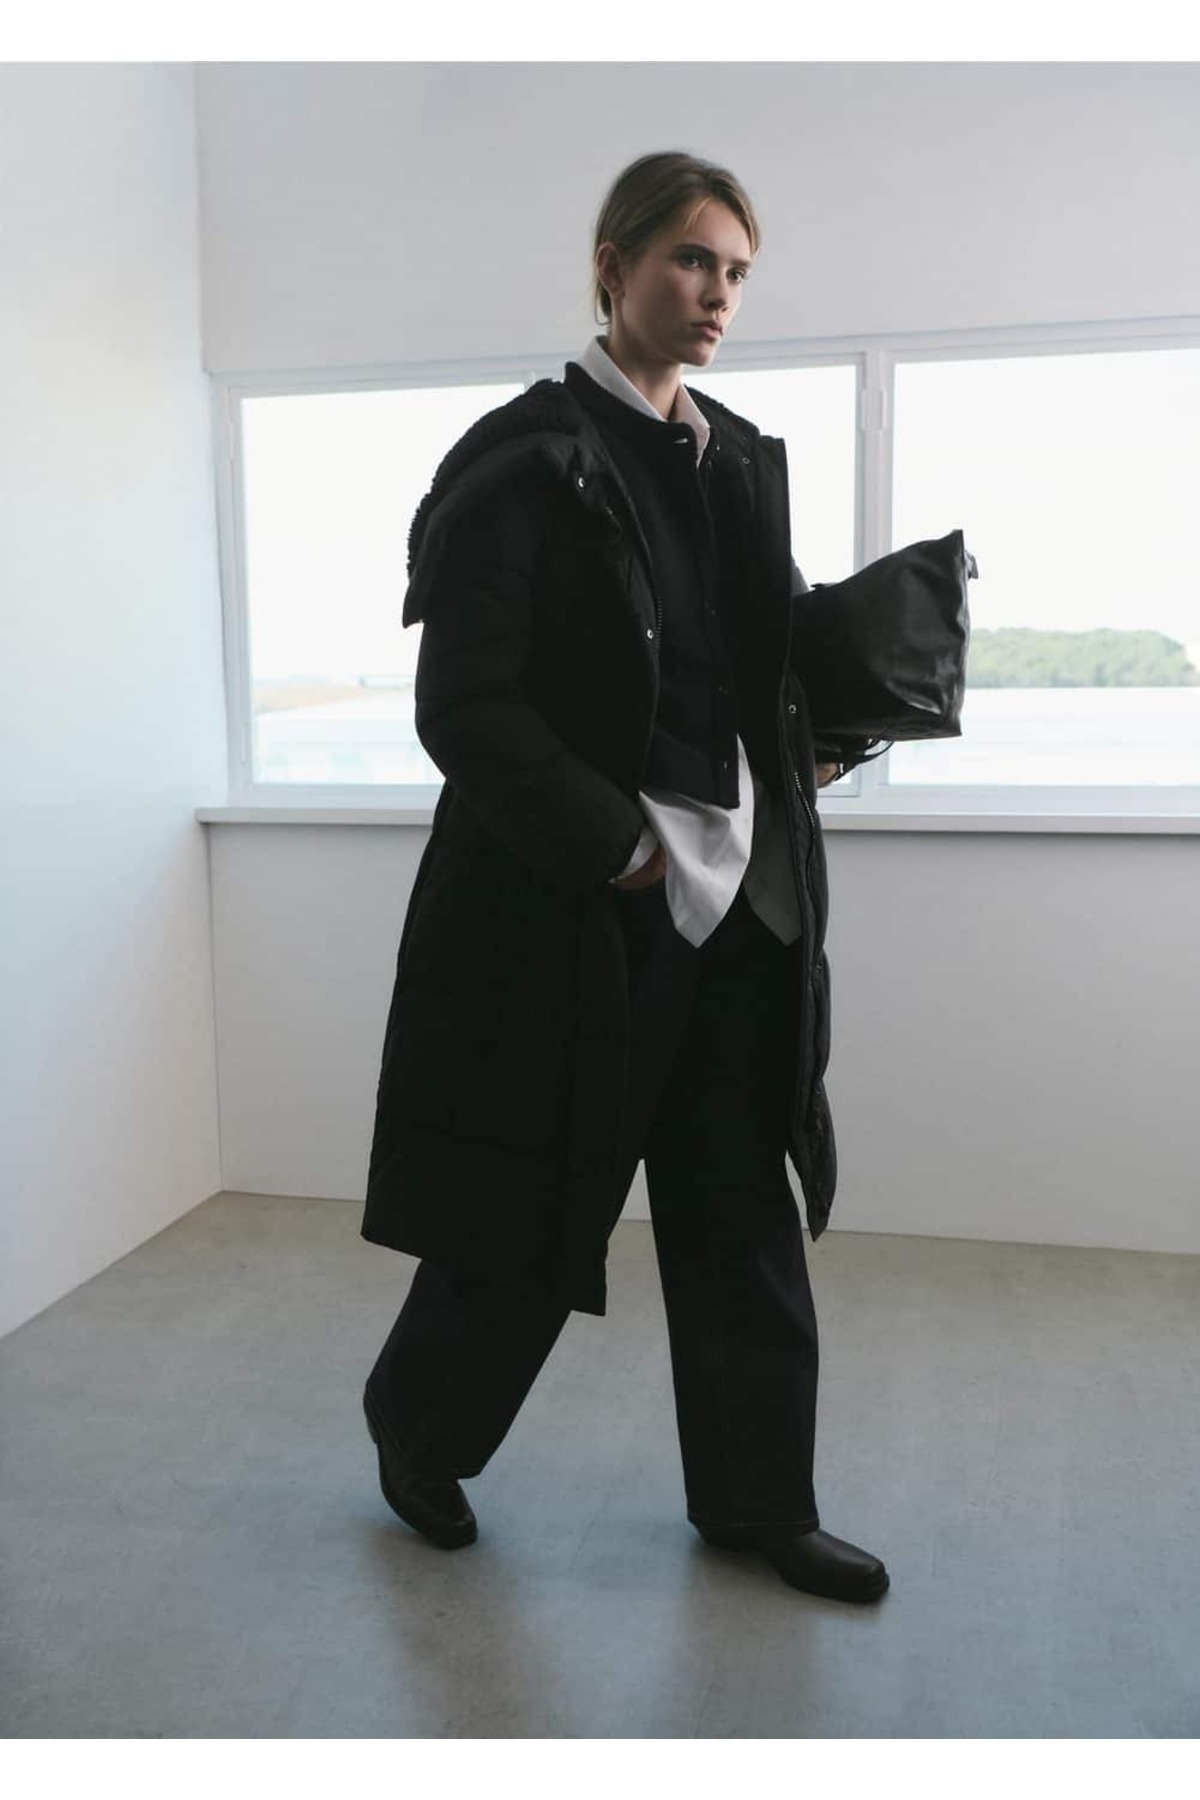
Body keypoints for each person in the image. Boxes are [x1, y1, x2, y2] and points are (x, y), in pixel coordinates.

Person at [360, 150, 889, 1603]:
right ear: (614, 266)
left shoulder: (739, 461)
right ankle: (417, 1432)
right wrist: (622, 844)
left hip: (739, 907)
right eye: (689, 261)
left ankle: (761, 1505)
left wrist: (835, 726)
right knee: (536, 1212)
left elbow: (757, 667)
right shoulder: (523, 463)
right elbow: (466, 709)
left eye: (736, 272)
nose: (717, 294)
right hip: (580, 909)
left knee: (741, 1212)